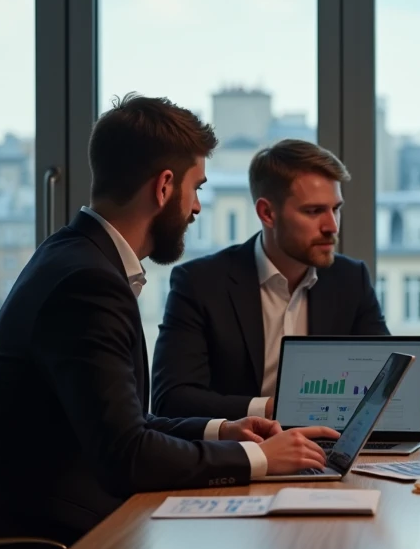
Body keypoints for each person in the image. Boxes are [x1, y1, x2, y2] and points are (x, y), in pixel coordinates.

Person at [0, 95, 338, 549]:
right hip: (29, 547)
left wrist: (223, 430)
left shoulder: (77, 257)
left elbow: (124, 423)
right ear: (165, 187)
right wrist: (261, 458)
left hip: (55, 519)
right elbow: (126, 455)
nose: (197, 209)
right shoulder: (87, 282)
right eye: (197, 188)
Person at [151, 139, 387, 420]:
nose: (331, 226)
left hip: (329, 449)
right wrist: (272, 409)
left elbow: (387, 384)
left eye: (335, 209)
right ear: (267, 213)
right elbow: (171, 400)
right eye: (313, 211)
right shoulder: (200, 284)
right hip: (239, 454)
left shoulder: (351, 280)